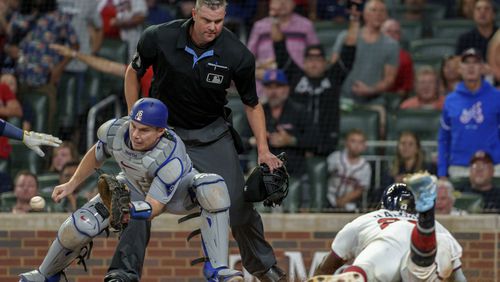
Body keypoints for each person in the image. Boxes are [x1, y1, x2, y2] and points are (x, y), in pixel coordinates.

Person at [122, 0, 287, 281]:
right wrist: (133, 117)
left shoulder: (237, 53)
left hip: (211, 134)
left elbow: (252, 103)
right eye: (207, 20)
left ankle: (264, 267)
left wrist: (264, 149)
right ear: (194, 13)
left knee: (238, 206)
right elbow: (132, 72)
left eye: (219, 21)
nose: (213, 27)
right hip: (164, 134)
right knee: (136, 201)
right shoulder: (158, 36)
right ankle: (123, 272)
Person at [20, 98, 244, 281]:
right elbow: (96, 154)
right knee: (77, 227)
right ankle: (45, 274)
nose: (136, 134)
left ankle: (217, 270)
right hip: (132, 184)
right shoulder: (116, 130)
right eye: (134, 126)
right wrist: (71, 184)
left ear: (160, 132)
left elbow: (156, 206)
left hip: (178, 193)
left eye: (144, 130)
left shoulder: (170, 154)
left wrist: (129, 209)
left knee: (212, 187)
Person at [310, 172, 466, 282]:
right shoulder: (439, 226)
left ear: (383, 205)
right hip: (431, 241)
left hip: (390, 240)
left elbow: (328, 266)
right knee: (428, 263)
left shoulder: (367, 219)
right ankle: (425, 227)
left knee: (365, 271)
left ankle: (356, 276)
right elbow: (459, 276)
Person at [272, 4, 358, 156]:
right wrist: (273, 19)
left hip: (327, 146)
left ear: (325, 62)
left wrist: (355, 19)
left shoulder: (334, 77)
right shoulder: (294, 76)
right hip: (295, 147)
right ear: (303, 62)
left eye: (318, 58)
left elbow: (349, 48)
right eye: (310, 58)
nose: (314, 62)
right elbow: (279, 47)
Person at [438, 48, 500, 179]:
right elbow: (444, 139)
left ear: (482, 68)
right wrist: (442, 172)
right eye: (466, 63)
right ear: (459, 69)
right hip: (459, 167)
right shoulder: (450, 100)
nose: (471, 67)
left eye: (476, 62)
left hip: (493, 167)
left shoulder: (497, 97)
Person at [330, 0, 399, 105]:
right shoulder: (345, 37)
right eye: (373, 10)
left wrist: (370, 90)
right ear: (365, 14)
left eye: (382, 11)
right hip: (343, 99)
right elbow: (333, 67)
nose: (378, 14)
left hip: (374, 101)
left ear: (386, 16)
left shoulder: (392, 45)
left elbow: (389, 79)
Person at [326, 129, 371, 212]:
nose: (357, 145)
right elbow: (324, 177)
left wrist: (343, 200)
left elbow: (360, 189)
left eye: (360, 142)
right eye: (353, 141)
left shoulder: (365, 166)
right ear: (346, 143)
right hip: (328, 199)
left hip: (349, 204)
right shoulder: (335, 157)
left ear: (364, 146)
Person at [382, 18, 414, 97]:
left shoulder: (405, 58)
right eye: (388, 31)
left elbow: (405, 88)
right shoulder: (370, 53)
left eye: (396, 32)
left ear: (399, 36)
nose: (392, 35)